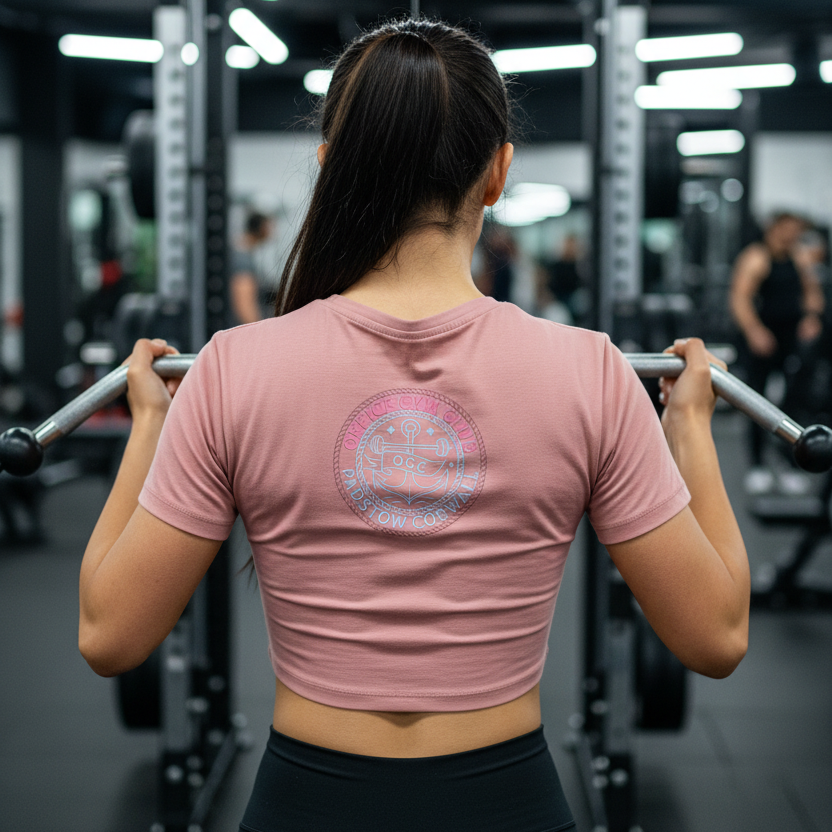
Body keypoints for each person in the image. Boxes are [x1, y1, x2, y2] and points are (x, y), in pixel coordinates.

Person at [78, 19, 750, 832]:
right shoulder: (592, 372)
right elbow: (716, 636)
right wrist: (690, 430)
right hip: (510, 804)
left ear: (329, 165)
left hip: (304, 804)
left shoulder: (231, 369)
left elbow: (109, 635)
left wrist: (149, 425)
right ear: (498, 172)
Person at [730, 212, 825, 493]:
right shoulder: (756, 257)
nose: (794, 234)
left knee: (792, 404)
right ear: (775, 228)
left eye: (797, 229)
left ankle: (787, 464)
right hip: (762, 339)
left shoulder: (799, 257)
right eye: (789, 228)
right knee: (757, 403)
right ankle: (757, 465)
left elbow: (812, 293)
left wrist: (811, 318)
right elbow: (740, 299)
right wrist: (754, 331)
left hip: (790, 339)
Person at [230, 211, 275, 324]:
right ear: (262, 228)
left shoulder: (243, 252)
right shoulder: (242, 259)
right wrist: (260, 330)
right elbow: (245, 304)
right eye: (269, 226)